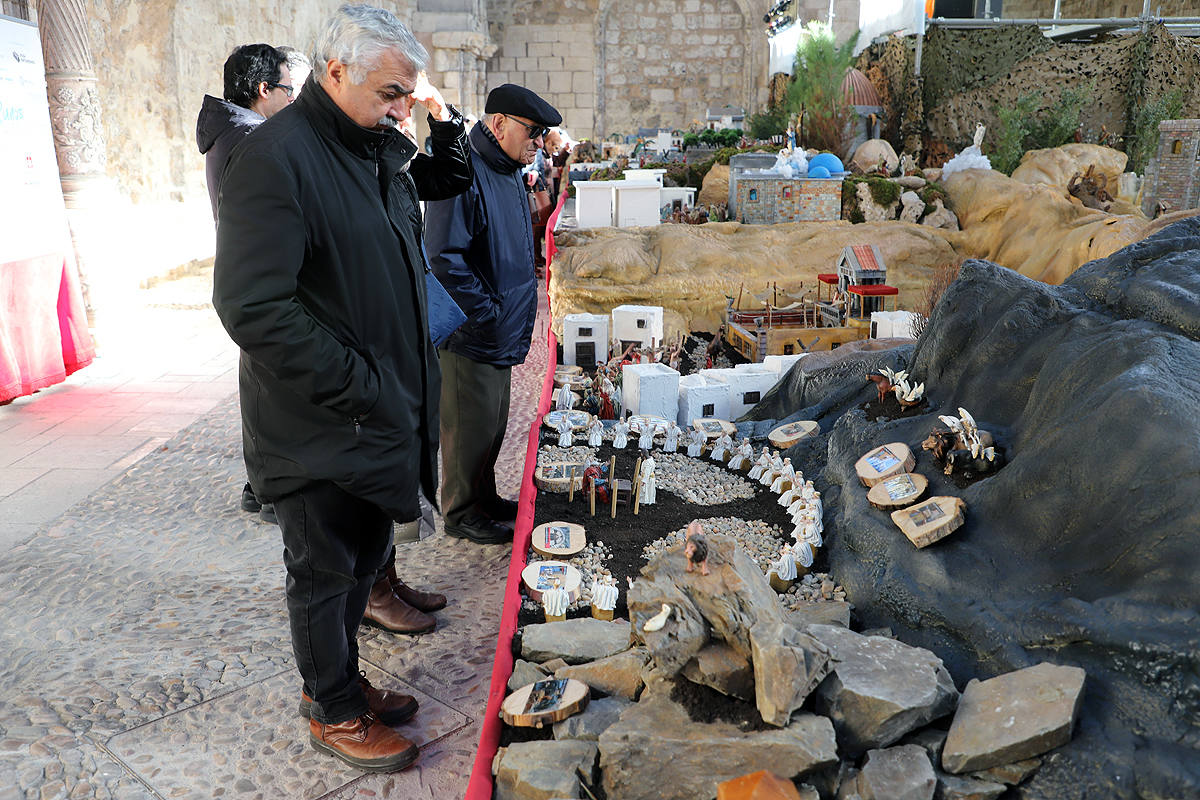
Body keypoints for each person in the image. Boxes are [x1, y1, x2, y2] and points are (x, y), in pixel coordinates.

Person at [211, 4, 472, 773]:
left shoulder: (370, 145)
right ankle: (332, 710)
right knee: (323, 572)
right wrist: (361, 384)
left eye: (406, 94)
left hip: (374, 408)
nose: (402, 109)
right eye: (391, 92)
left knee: (363, 562)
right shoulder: (276, 157)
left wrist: (393, 387)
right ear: (333, 72)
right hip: (319, 416)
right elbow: (253, 306)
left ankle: (341, 682)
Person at [425, 83, 562, 545]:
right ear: (499, 123)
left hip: (497, 326)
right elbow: (444, 256)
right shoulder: (465, 168)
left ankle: (481, 496)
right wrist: (487, 312)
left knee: (491, 421)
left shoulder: (505, 167)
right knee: (467, 423)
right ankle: (461, 510)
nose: (539, 143)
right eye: (534, 131)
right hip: (473, 332)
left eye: (543, 135)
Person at [196, 42, 294, 525]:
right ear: (263, 89)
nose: (293, 99)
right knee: (268, 390)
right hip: (260, 278)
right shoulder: (249, 138)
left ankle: (261, 485)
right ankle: (269, 490)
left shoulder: (236, 132)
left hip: (253, 274)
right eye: (288, 89)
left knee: (263, 386)